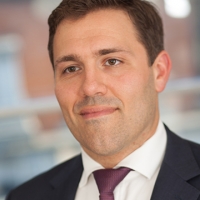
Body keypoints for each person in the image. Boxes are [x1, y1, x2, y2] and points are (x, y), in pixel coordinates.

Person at [6, 0, 200, 200]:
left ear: (159, 72)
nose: (90, 87)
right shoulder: (25, 196)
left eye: (112, 61)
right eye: (71, 68)